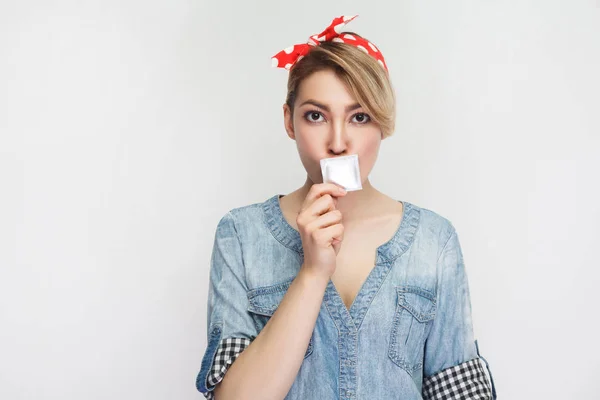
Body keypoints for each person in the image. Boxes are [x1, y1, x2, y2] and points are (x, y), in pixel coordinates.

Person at [195, 15, 497, 400]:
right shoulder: (240, 235)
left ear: (383, 124)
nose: (338, 143)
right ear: (289, 121)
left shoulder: (434, 241)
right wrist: (312, 272)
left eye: (359, 117)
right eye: (316, 116)